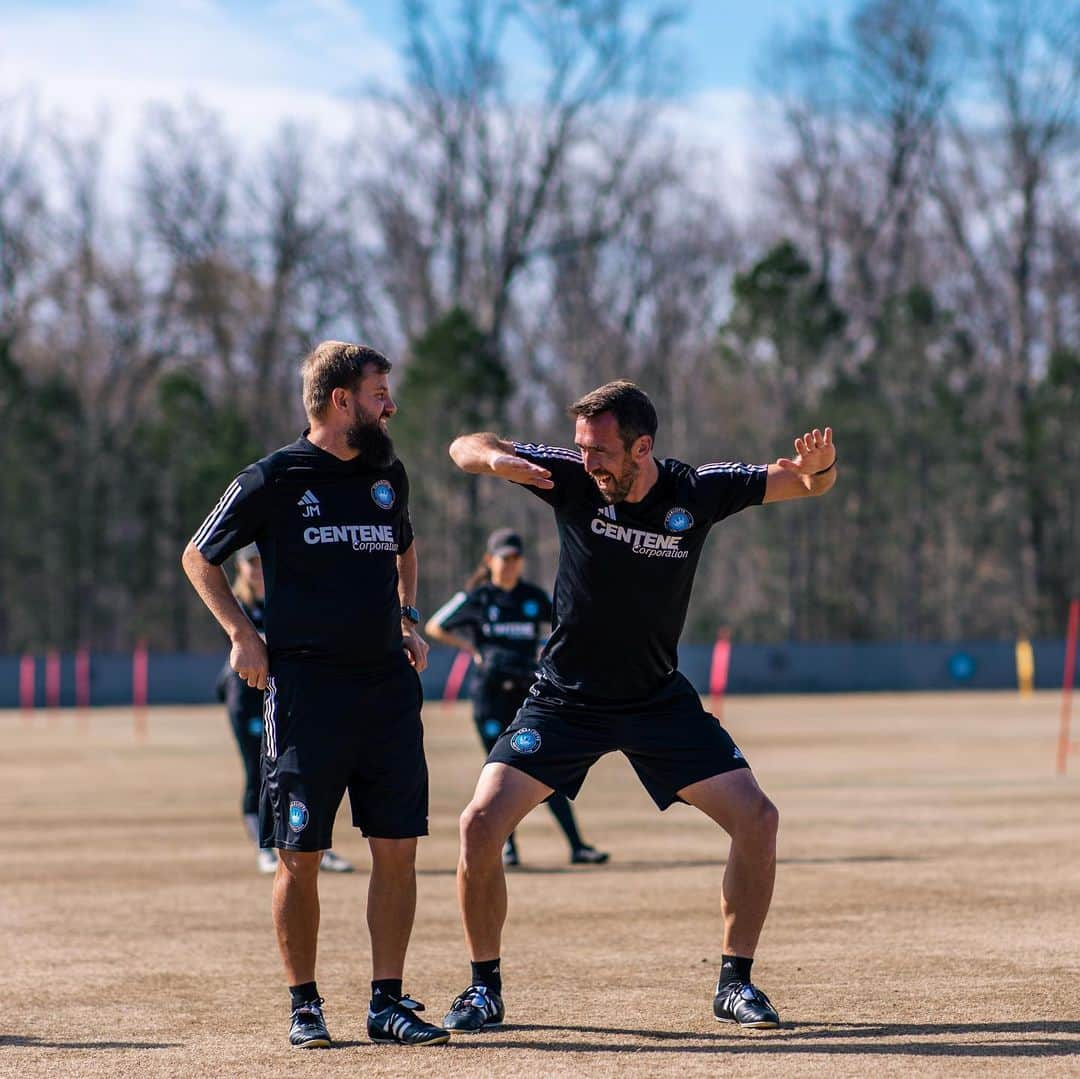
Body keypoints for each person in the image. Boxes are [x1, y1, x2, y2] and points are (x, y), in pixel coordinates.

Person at [440, 380, 838, 1034]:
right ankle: (484, 989)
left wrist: (820, 469)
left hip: (656, 699)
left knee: (759, 818)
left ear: (642, 446)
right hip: (564, 700)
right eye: (581, 447)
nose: (588, 460)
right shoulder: (568, 476)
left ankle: (735, 983)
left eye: (600, 450)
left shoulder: (698, 490)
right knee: (479, 823)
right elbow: (465, 446)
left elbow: (805, 483)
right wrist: (493, 460)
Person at [182, 341, 450, 1049]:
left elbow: (405, 547)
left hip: (388, 690)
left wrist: (407, 616)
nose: (389, 404)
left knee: (398, 847)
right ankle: (305, 1004)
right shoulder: (274, 477)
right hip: (306, 692)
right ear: (342, 400)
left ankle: (387, 1002)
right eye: (379, 392)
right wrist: (243, 635)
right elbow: (197, 554)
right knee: (299, 853)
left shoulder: (387, 474)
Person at [425, 528, 609, 868]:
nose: (510, 565)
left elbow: (564, 626)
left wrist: (547, 653)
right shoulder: (477, 597)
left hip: (528, 697)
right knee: (500, 773)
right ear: (489, 560)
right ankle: (508, 848)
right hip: (490, 697)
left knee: (545, 771)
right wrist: (471, 648)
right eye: (504, 558)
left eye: (515, 559)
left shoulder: (534, 596)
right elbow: (436, 625)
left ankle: (577, 845)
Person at [215, 543, 354, 876]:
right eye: (251, 563)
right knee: (259, 771)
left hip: (291, 697)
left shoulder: (285, 597)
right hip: (249, 699)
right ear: (241, 568)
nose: (258, 569)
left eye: (263, 561)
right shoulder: (236, 606)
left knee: (310, 774)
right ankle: (266, 846)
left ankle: (318, 846)